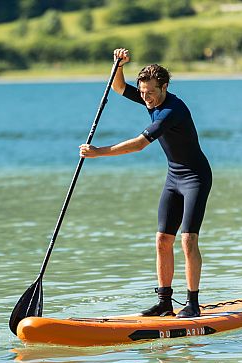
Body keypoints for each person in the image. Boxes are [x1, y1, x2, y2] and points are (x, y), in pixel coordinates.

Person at [79, 49, 212, 318]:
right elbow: (118, 87)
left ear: (164, 87)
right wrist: (118, 64)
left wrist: (98, 152)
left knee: (188, 239)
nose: (145, 98)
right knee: (163, 239)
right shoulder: (149, 99)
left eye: (150, 92)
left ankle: (193, 304)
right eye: (142, 93)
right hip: (174, 177)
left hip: (196, 177)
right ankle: (164, 302)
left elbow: (140, 145)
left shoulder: (172, 110)